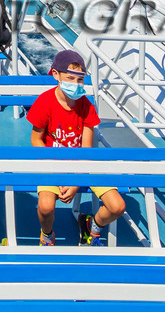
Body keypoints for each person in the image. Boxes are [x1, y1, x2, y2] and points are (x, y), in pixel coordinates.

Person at [29, 48, 126, 247]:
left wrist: (75, 180)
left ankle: (93, 226)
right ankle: (47, 235)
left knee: (117, 206)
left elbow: (86, 149)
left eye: (80, 79)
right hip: (51, 163)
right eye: (70, 78)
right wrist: (56, 170)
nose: (75, 84)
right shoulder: (44, 102)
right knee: (46, 207)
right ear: (56, 75)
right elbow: (36, 140)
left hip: (83, 163)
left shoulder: (86, 107)